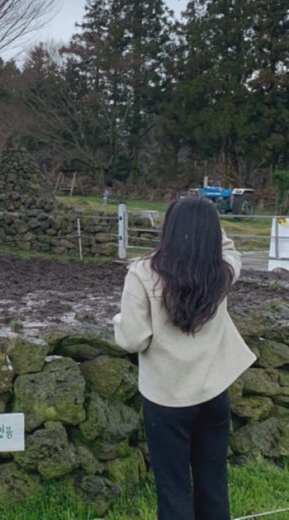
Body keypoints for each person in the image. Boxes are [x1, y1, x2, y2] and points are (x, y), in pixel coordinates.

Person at [113, 196, 255, 520]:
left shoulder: (143, 273)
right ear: (212, 233)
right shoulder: (222, 271)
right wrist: (209, 228)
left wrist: (117, 323)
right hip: (213, 394)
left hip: (166, 398)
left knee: (174, 488)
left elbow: (134, 339)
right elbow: (232, 251)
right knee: (214, 483)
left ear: (171, 229)